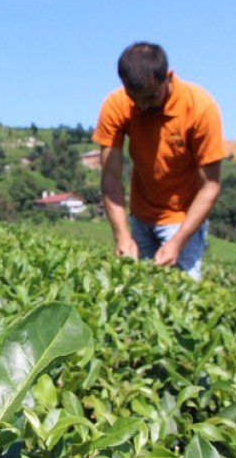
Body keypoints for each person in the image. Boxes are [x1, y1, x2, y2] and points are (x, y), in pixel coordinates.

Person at [93, 42, 225, 280]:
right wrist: (122, 235)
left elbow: (210, 186)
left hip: (182, 218)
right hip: (140, 214)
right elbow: (110, 177)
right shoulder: (116, 105)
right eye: (135, 98)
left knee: (181, 293)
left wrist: (177, 243)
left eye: (151, 97)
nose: (143, 106)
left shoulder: (200, 109)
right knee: (135, 290)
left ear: (168, 76)